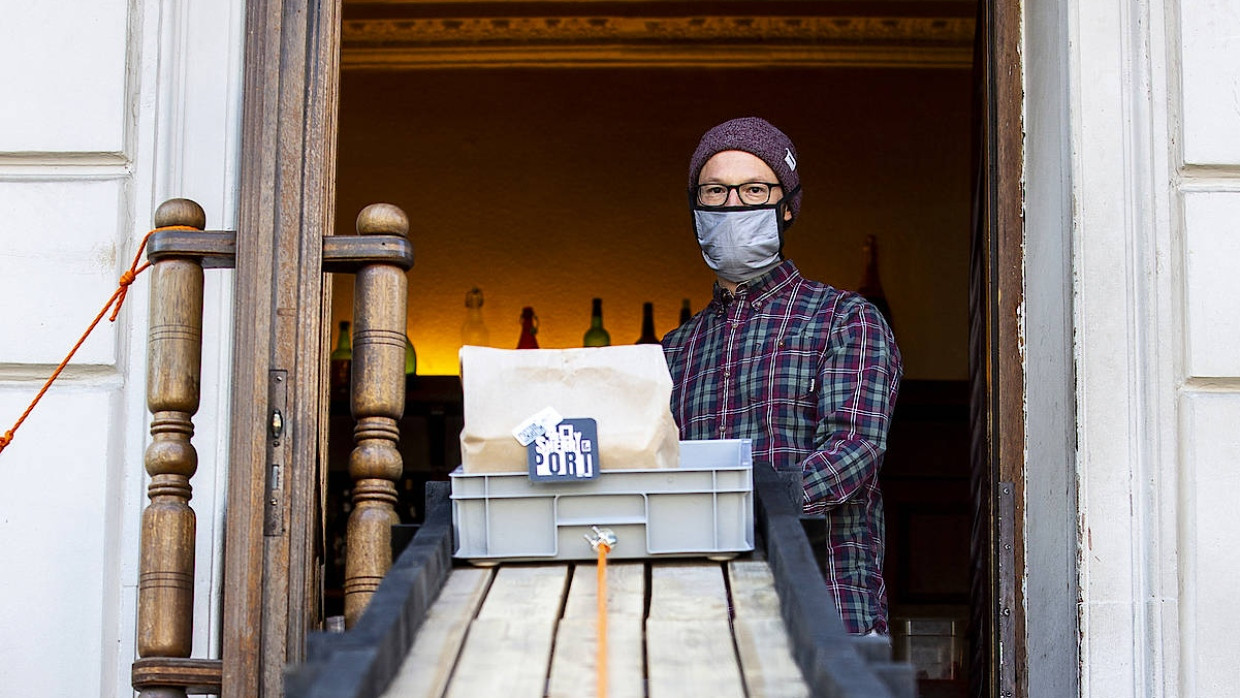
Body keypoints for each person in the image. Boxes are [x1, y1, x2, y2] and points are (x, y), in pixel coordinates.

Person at [661, 117, 902, 635]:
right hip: (705, 614)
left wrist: (746, 504)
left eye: (754, 190)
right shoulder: (676, 349)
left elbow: (855, 450)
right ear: (695, 210)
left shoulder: (844, 319)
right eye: (715, 192)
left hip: (824, 607)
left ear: (787, 206)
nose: (732, 206)